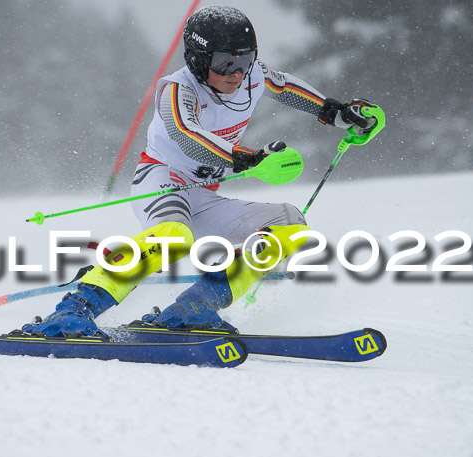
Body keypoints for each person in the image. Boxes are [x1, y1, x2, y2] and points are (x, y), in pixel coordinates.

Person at [21, 5, 377, 338]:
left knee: (290, 225)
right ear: (198, 58)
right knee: (174, 236)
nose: (236, 73)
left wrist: (338, 113)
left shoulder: (254, 76)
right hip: (162, 181)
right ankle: (70, 313)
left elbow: (288, 90)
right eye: (224, 63)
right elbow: (187, 136)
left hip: (205, 194)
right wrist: (247, 158)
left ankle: (194, 308)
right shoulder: (178, 89)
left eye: (245, 61)